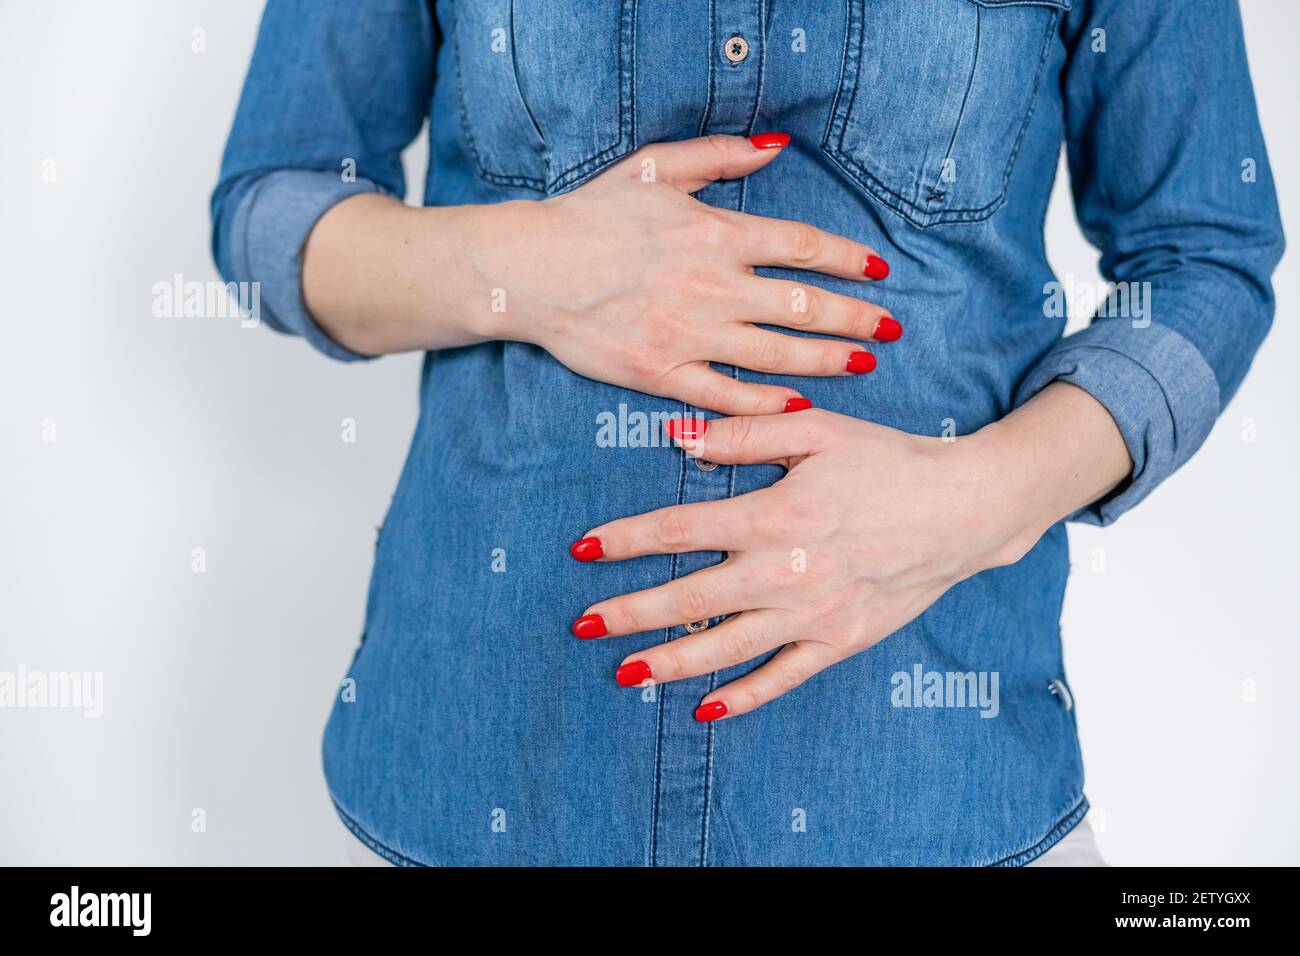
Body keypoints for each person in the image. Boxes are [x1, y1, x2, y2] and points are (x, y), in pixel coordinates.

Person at [211, 0, 1283, 866]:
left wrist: (975, 499)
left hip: (934, 789)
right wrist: (529, 267)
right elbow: (269, 210)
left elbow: (1204, 259)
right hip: (482, 772)